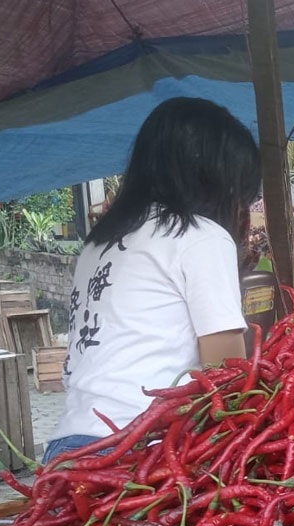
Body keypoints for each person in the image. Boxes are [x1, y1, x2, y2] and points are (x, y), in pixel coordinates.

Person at [43, 97, 260, 464]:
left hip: (66, 449)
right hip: (140, 449)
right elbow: (226, 373)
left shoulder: (99, 241)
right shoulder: (202, 237)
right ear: (218, 182)